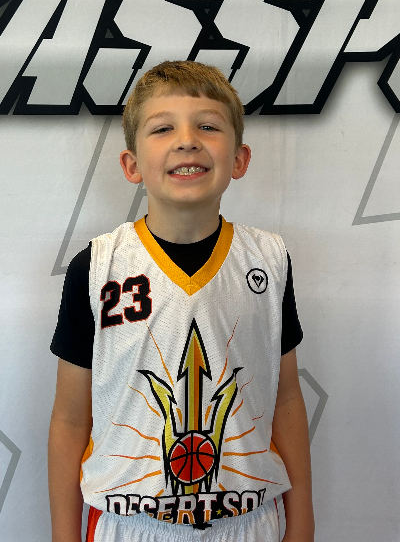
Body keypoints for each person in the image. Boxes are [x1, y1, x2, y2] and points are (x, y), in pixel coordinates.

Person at [49, 61, 314, 542]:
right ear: (132, 165)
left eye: (208, 126)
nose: (187, 140)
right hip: (128, 524)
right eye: (163, 128)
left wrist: (303, 522)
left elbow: (287, 398)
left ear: (239, 159)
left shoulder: (269, 261)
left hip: (248, 523)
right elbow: (70, 417)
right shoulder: (97, 267)